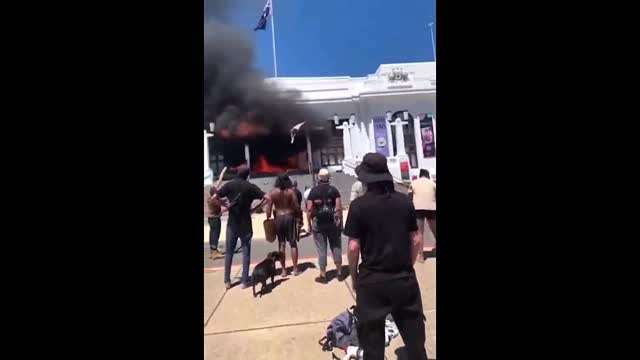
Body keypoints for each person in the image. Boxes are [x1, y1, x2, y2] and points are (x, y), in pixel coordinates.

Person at [344, 152, 427, 360]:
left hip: (372, 281)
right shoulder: (404, 202)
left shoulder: (358, 206)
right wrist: (407, 266)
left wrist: (354, 276)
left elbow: (353, 247)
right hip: (402, 278)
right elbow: (416, 240)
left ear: (366, 179)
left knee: (372, 344)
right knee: (414, 336)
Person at [215, 166, 271, 289]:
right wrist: (255, 209)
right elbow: (267, 197)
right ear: (247, 175)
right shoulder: (250, 187)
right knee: (246, 253)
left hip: (232, 223)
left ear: (237, 174)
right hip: (246, 222)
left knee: (229, 253)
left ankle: (227, 281)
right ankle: (245, 281)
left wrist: (224, 204)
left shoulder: (229, 185)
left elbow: (214, 197)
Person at [306, 168, 343, 283]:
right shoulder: (334, 190)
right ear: (328, 178)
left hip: (318, 222)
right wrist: (340, 222)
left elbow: (309, 210)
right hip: (332, 221)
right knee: (336, 246)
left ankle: (323, 274)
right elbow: (338, 208)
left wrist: (309, 224)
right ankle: (339, 272)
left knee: (321, 249)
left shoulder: (313, 192)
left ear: (318, 178)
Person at [266, 174, 301, 277]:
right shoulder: (291, 192)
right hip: (290, 217)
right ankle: (295, 269)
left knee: (281, 244)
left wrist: (268, 218)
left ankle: (284, 270)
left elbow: (268, 208)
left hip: (278, 218)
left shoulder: (273, 193)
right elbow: (296, 206)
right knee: (293, 243)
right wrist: (299, 217)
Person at [408, 169, 437, 261]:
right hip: (431, 208)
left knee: (420, 233)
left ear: (420, 175)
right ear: (427, 175)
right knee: (435, 230)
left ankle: (421, 256)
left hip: (418, 208)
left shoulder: (413, 183)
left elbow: (409, 197)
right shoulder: (433, 183)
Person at [206, 186, 224, 259]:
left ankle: (213, 250)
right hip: (215, 219)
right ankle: (214, 253)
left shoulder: (210, 198)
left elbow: (217, 185)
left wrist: (222, 174)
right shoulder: (214, 201)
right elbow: (222, 205)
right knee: (215, 234)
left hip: (211, 218)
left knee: (212, 233)